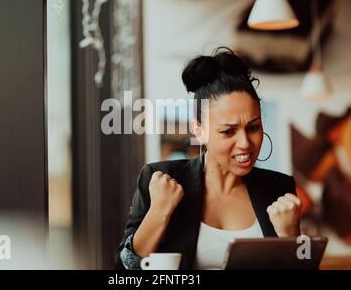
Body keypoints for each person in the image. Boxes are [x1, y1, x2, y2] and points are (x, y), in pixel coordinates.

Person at [116, 47, 302, 270]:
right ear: (199, 130)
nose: (245, 142)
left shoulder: (279, 188)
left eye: (253, 127)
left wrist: (291, 239)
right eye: (228, 131)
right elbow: (123, 269)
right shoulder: (160, 180)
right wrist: (158, 212)